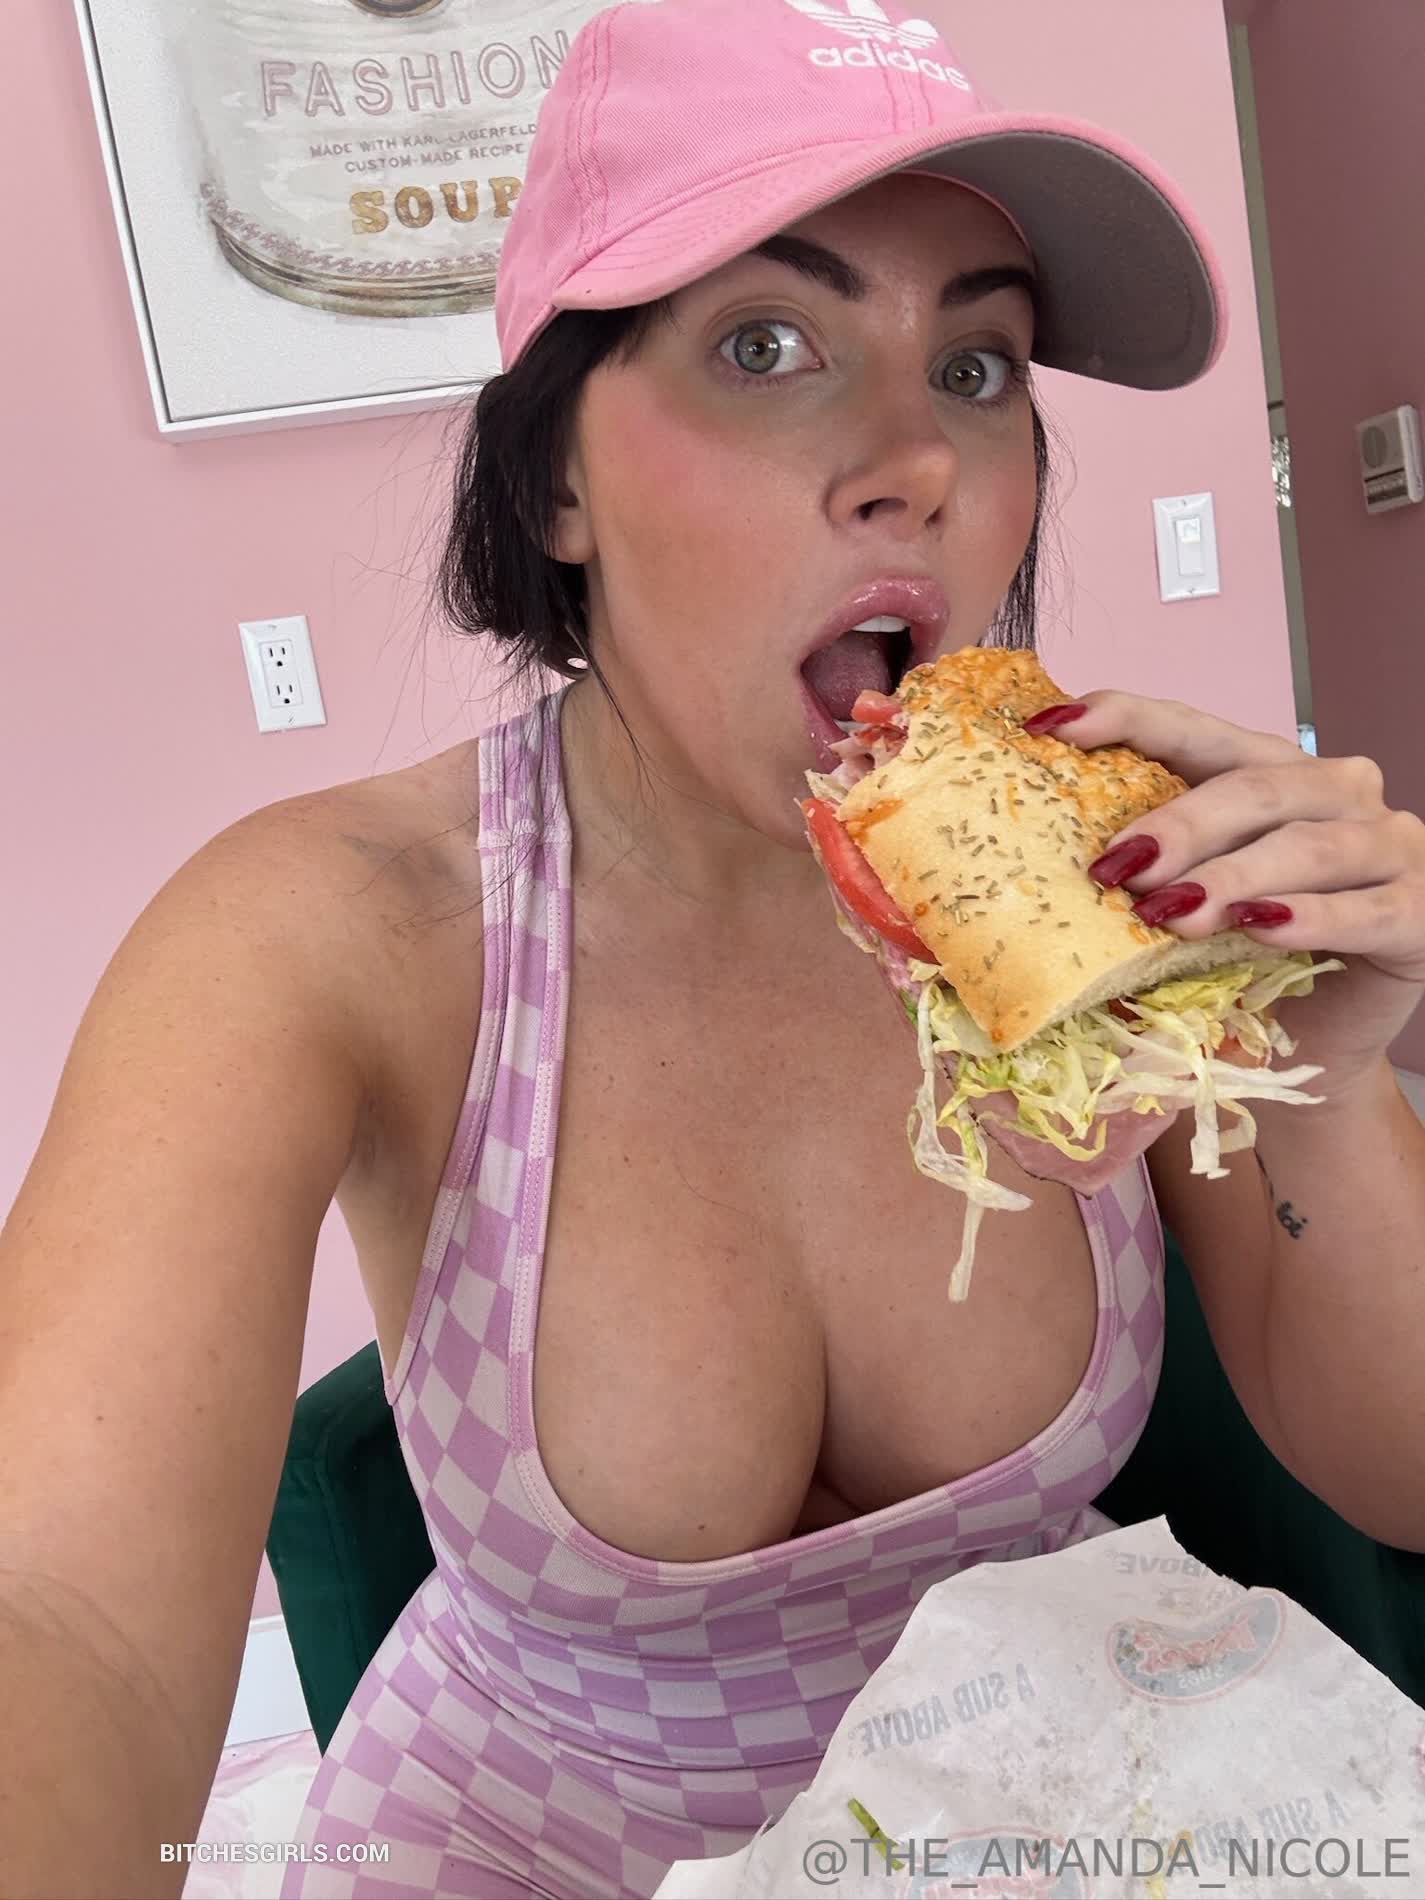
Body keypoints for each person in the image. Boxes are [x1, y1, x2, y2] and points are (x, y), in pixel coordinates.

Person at [4, 2, 1425, 1897]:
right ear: (554, 483)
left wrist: (1316, 1080)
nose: (915, 459)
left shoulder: (1105, 891)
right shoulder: (337, 928)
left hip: (1033, 1798)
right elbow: (62, 1617)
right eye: (765, 345)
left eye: (979, 366)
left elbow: (1401, 1476)